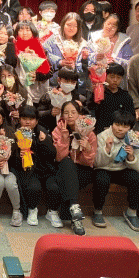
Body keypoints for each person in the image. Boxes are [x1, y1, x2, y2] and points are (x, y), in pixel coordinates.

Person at [92, 110, 139, 231]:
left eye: (125, 126)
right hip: (104, 168)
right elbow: (96, 163)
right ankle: (97, 211)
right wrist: (107, 149)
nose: (120, 129)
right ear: (112, 124)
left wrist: (131, 157)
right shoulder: (102, 136)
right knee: (101, 179)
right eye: (117, 124)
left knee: (137, 179)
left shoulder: (135, 139)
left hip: (122, 169)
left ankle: (131, 213)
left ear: (130, 128)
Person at [49, 100, 96, 235]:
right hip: (63, 168)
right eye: (66, 113)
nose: (69, 115)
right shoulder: (57, 130)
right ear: (62, 115)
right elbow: (59, 158)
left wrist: (87, 148)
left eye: (73, 112)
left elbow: (89, 162)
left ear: (79, 114)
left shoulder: (89, 132)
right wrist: (64, 139)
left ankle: (73, 211)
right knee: (67, 164)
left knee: (69, 180)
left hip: (82, 170)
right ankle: (76, 215)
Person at [43, 12, 89, 93]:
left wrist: (83, 60)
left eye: (75, 26)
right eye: (69, 25)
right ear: (63, 24)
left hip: (73, 84)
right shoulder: (54, 39)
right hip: (55, 83)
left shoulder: (83, 43)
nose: (71, 28)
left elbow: (85, 68)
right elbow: (44, 54)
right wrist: (59, 62)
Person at [87, 63, 136, 134]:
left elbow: (131, 116)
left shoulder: (125, 96)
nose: (115, 80)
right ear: (105, 76)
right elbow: (91, 112)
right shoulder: (99, 93)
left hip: (120, 132)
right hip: (101, 131)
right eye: (112, 77)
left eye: (118, 77)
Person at [88, 14, 133, 88]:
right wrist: (95, 58)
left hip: (116, 82)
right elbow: (85, 58)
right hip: (96, 80)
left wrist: (116, 61)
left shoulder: (123, 43)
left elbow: (130, 63)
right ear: (104, 23)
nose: (110, 27)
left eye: (113, 26)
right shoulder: (93, 39)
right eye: (108, 23)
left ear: (117, 29)